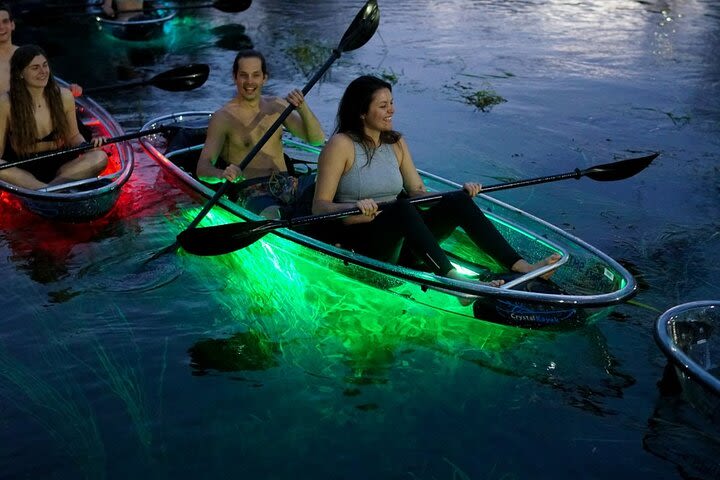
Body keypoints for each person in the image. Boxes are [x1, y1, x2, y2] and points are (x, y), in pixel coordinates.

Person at [311, 75, 560, 288]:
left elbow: (418, 192)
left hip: (405, 240)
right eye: (383, 105)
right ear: (362, 112)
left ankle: (521, 266)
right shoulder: (341, 145)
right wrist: (354, 207)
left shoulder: (395, 143)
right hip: (365, 243)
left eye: (392, 103)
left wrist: (454, 194)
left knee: (456, 200)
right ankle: (453, 281)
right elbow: (319, 207)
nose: (392, 111)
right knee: (400, 208)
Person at [196, 49, 325, 218]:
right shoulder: (222, 118)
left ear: (265, 77)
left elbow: (317, 140)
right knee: (273, 216)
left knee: (332, 182)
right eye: (244, 75)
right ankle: (293, 220)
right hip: (252, 191)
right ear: (235, 77)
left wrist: (303, 109)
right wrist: (222, 174)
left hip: (288, 183)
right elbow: (202, 168)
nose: (250, 82)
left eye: (256, 75)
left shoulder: (277, 105)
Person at [0, 45, 107, 190]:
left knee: (100, 157)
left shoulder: (64, 96)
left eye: (45, 65)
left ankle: (48, 190)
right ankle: (54, 191)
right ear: (20, 73)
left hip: (62, 166)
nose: (43, 72)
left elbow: (74, 136)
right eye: (35, 68)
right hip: (24, 169)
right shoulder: (5, 103)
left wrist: (88, 147)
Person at [0, 4, 83, 97]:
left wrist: (69, 89)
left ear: (12, 25)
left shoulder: (27, 55)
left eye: (5, 22)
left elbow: (45, 85)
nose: (1, 27)